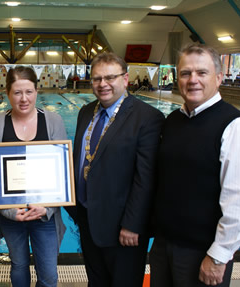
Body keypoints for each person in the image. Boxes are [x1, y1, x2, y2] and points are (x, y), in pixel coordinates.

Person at [150, 43, 240, 287]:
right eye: (185, 73)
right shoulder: (174, 120)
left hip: (203, 253)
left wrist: (219, 256)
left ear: (219, 78)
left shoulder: (237, 128)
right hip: (164, 245)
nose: (193, 80)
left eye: (202, 73)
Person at [66, 52, 164, 286]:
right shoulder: (86, 111)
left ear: (125, 79)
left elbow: (146, 178)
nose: (103, 84)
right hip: (88, 219)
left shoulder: (147, 117)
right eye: (97, 79)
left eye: (110, 77)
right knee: (96, 281)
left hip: (123, 228)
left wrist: (132, 225)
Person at [0, 66, 67, 286]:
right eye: (17, 92)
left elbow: (62, 173)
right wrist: (11, 212)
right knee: (19, 265)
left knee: (49, 275)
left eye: (29, 92)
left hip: (44, 214)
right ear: (8, 93)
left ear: (37, 91)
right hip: (11, 214)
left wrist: (47, 208)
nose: (24, 99)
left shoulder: (53, 121)